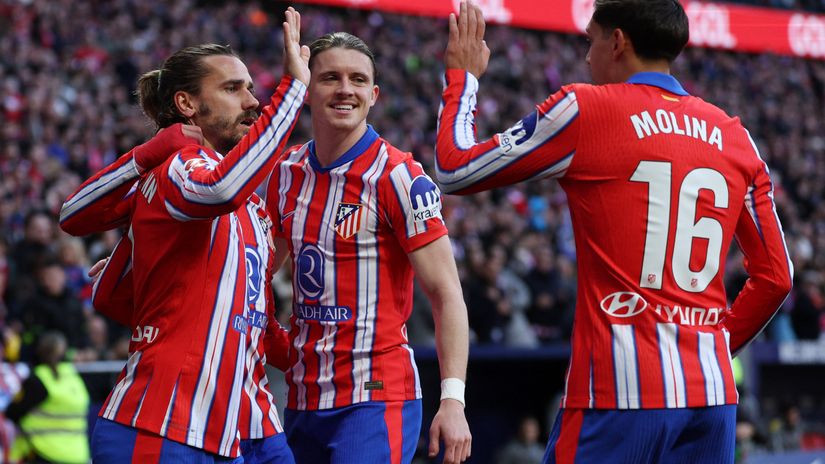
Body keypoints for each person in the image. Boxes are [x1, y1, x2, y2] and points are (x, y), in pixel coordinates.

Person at [436, 1, 793, 463]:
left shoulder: (587, 108)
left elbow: (455, 168)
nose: (587, 57)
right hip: (711, 397)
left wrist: (462, 80)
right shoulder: (735, 136)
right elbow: (777, 277)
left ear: (618, 41)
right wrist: (717, 344)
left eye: (591, 40)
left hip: (618, 393)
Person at [58, 8, 310, 463]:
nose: (252, 101)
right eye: (233, 89)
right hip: (159, 426)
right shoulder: (180, 166)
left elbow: (248, 318)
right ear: (187, 104)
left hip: (231, 425)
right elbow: (221, 189)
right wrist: (292, 90)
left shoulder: (253, 209)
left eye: (251, 88)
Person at [266, 32, 472, 464]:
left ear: (374, 94)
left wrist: (453, 400)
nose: (345, 89)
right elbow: (258, 272)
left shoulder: (399, 176)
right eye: (331, 78)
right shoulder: (284, 173)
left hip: (376, 396)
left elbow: (446, 293)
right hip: (302, 398)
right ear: (307, 89)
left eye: (358, 80)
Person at [7, 331, 89, 464]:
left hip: (45, 453)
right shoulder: (73, 375)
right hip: (77, 455)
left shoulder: (39, 379)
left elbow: (13, 412)